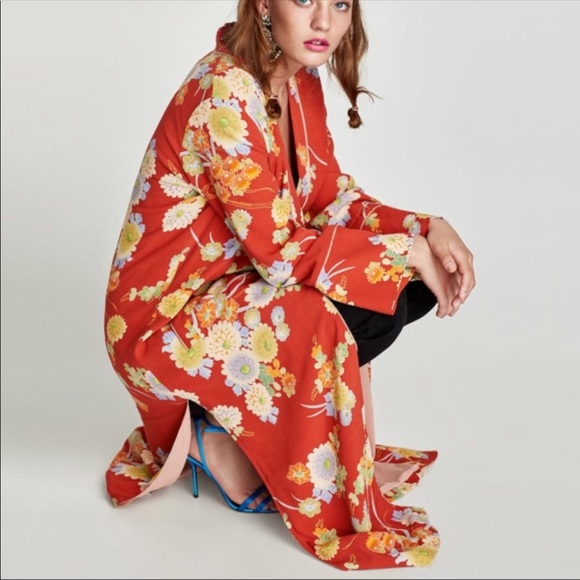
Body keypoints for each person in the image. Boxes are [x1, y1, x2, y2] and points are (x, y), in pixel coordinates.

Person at [103, 0, 475, 571]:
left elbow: (327, 200)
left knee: (405, 286)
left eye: (340, 4)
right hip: (164, 321)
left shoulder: (298, 79)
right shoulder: (224, 92)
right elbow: (278, 253)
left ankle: (249, 434)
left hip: (233, 287)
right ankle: (211, 438)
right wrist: (405, 250)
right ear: (263, 3)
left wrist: (424, 229)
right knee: (349, 306)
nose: (324, 22)